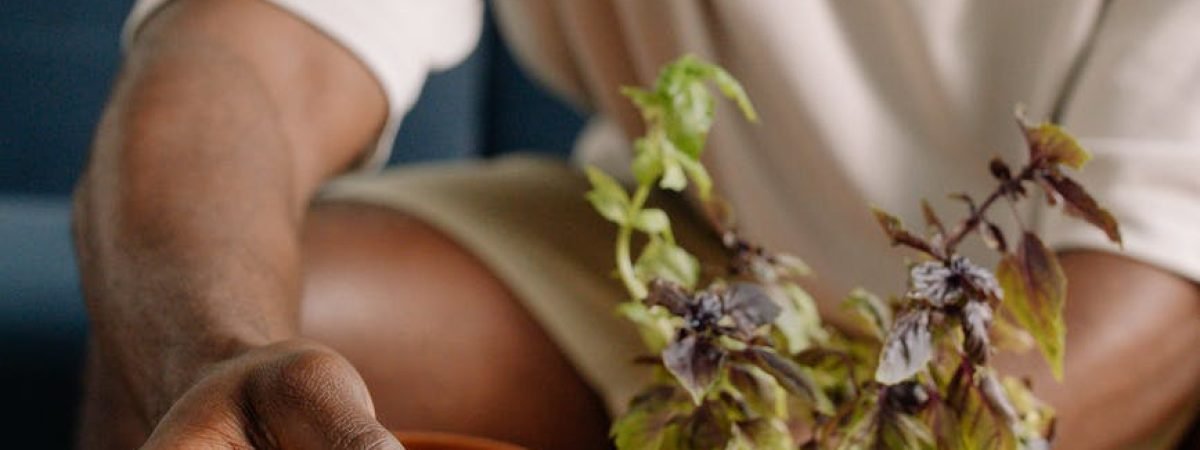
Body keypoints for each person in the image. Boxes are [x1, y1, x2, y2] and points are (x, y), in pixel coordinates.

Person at [74, 0, 1200, 448]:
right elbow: (241, 64)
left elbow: (1157, 288)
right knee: (213, 334)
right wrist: (213, 352)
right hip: (706, 260)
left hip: (1063, 326)